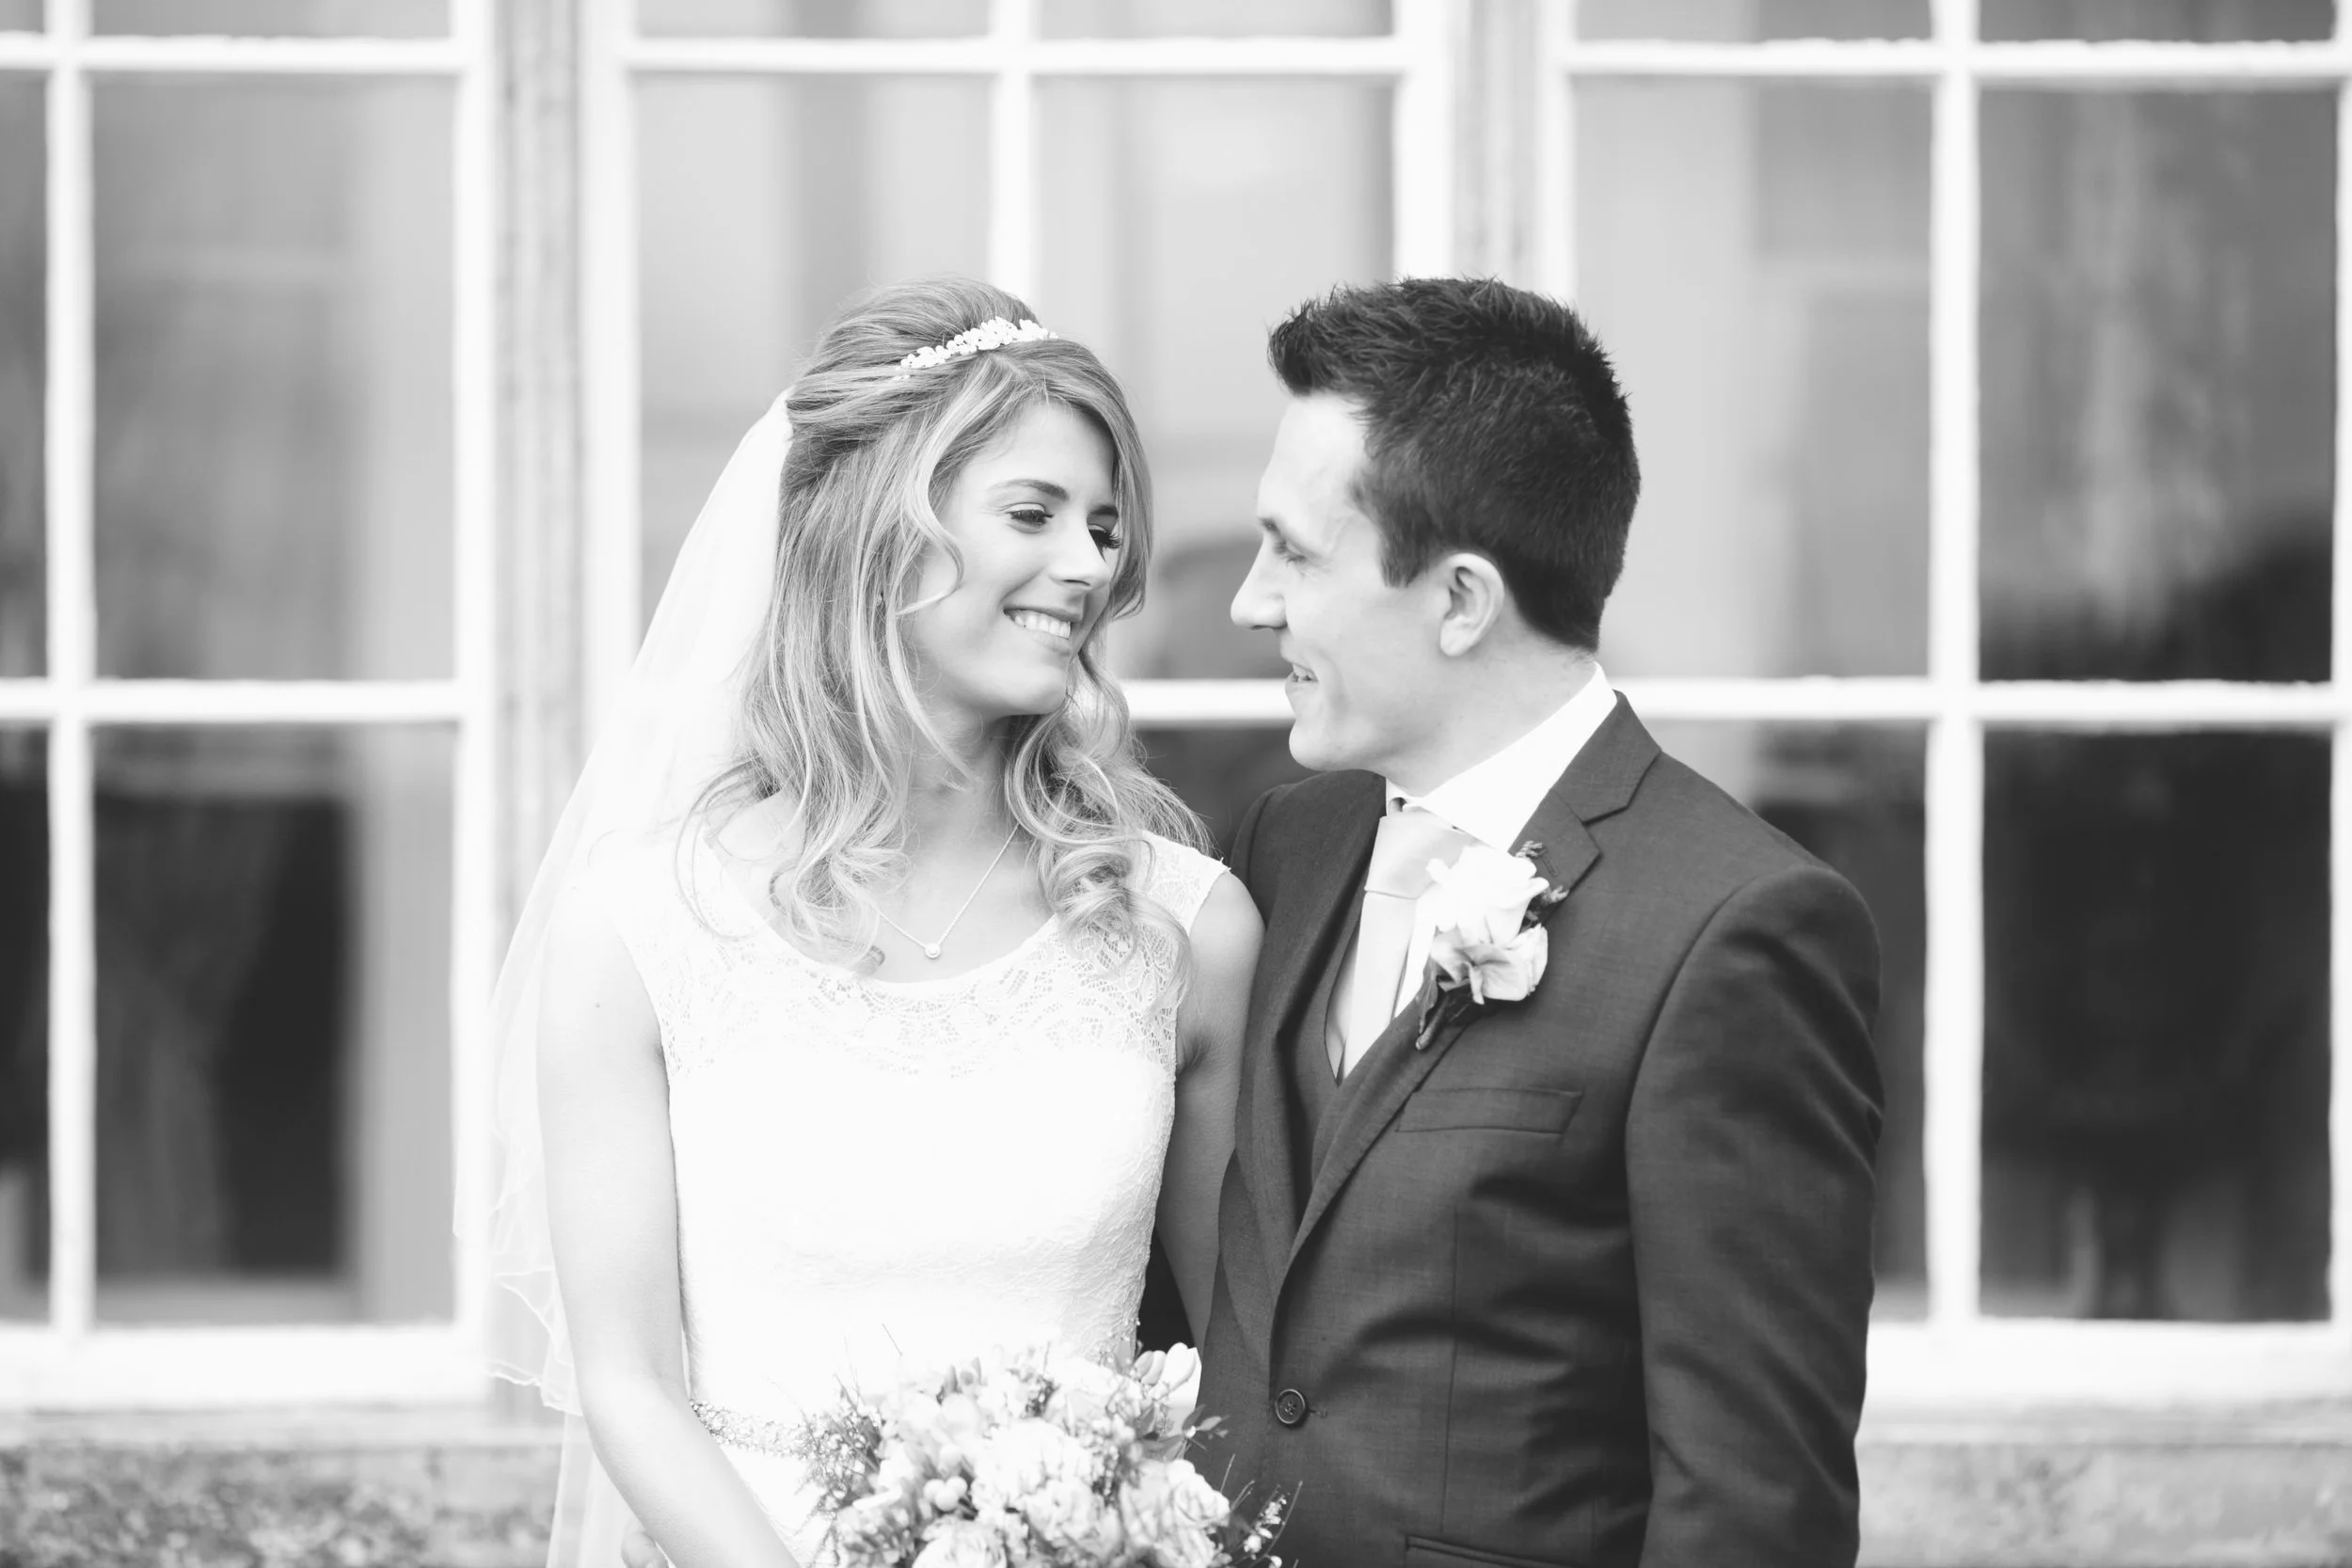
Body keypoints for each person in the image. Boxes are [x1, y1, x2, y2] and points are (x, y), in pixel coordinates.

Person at [479, 277, 1260, 1568]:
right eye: (1034, 512)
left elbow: (1239, 1358)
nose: (1091, 566)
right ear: (878, 530)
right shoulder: (638, 931)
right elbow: (627, 1381)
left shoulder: (1185, 932)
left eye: (1105, 524)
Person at [1196, 276, 1884, 1567]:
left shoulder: (1735, 931)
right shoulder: (1287, 847)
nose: (1250, 601)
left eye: (1292, 550)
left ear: (1460, 600)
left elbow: (1753, 1505)